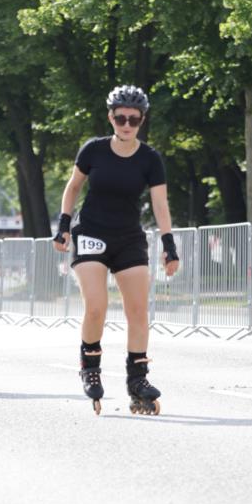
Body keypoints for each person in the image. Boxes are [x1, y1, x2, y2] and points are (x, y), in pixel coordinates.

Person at [53, 85, 179, 414]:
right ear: (111, 117)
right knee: (97, 306)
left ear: (141, 120)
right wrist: (64, 226)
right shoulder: (94, 150)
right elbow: (73, 187)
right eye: (120, 117)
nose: (126, 124)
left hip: (128, 236)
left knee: (137, 309)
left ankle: (137, 379)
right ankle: (90, 365)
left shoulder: (150, 159)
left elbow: (160, 204)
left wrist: (169, 245)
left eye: (133, 119)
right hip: (91, 232)